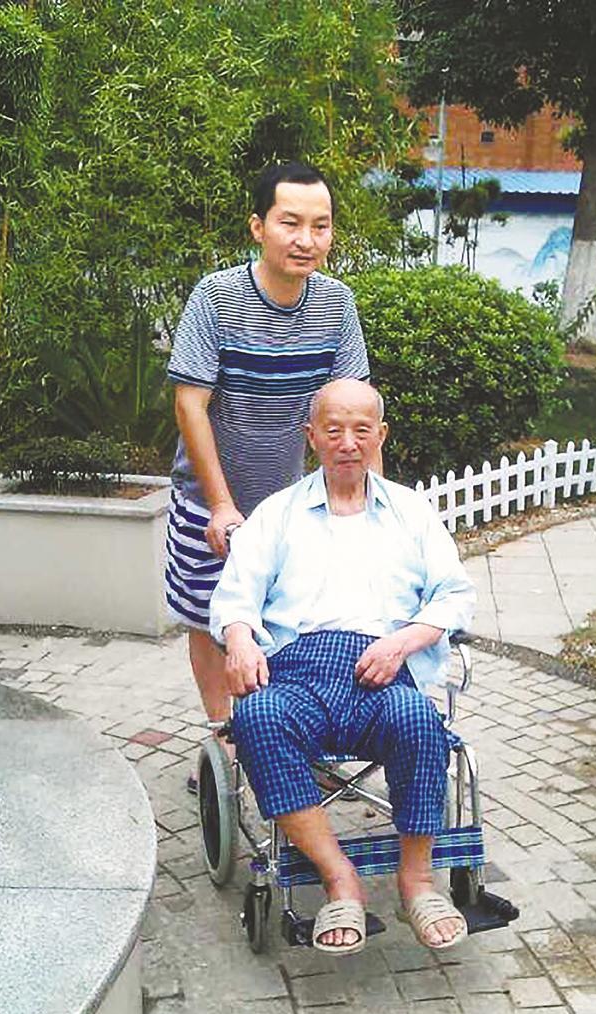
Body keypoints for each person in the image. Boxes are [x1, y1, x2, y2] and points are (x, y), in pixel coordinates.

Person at [210, 379, 476, 955]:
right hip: (296, 670)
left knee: (418, 721)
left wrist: (404, 642)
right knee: (258, 718)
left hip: (384, 666)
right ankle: (340, 879)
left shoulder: (411, 511)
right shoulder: (277, 514)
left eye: (361, 430)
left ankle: (416, 881)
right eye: (333, 430)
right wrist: (239, 639)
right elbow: (235, 596)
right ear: (311, 437)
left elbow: (454, 595)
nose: (348, 442)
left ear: (380, 435)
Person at [165, 161, 370, 737]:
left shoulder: (337, 304)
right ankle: (223, 738)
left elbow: (354, 411)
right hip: (208, 498)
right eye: (290, 223)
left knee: (290, 617)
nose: (307, 240)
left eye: (321, 226)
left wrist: (368, 506)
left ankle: (279, 730)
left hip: (293, 502)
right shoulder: (216, 297)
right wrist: (220, 504)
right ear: (258, 227)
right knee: (209, 617)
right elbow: (189, 406)